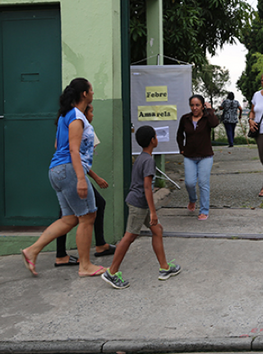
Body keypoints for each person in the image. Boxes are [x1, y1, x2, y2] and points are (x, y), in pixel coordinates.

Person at [21, 78, 105, 278]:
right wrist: (81, 179)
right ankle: (85, 266)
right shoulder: (76, 116)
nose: (93, 92)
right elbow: (74, 150)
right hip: (69, 170)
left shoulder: (65, 116)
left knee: (69, 219)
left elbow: (58, 146)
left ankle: (32, 250)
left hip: (57, 170)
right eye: (91, 89)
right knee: (87, 217)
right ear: (84, 94)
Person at [101, 126, 182, 289]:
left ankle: (164, 268)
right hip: (139, 204)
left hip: (140, 202)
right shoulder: (148, 161)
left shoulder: (141, 157)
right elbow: (146, 187)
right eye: (156, 136)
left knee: (157, 230)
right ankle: (111, 272)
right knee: (129, 237)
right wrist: (153, 212)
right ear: (153, 140)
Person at [55, 104, 116, 267]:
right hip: (70, 173)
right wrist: (91, 178)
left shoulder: (74, 124)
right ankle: (65, 256)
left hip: (68, 172)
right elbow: (75, 157)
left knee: (71, 213)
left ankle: (98, 245)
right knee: (72, 216)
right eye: (91, 111)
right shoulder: (77, 126)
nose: (93, 115)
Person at [177, 94, 219, 220]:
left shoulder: (207, 118)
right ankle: (192, 199)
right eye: (192, 105)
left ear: (202, 106)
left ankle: (204, 210)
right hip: (190, 156)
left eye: (197, 105)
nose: (194, 108)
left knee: (203, 183)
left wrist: (210, 109)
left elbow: (215, 123)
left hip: (205, 156)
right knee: (189, 183)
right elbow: (179, 135)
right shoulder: (185, 118)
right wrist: (182, 148)